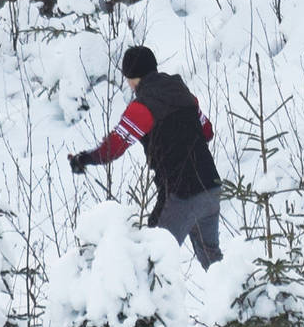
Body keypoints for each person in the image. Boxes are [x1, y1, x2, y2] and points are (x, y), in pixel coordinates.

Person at [68, 46, 223, 267]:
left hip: (181, 195)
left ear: (132, 78)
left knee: (148, 261)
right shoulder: (182, 92)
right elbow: (207, 131)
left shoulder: (143, 107)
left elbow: (113, 148)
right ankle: (236, 300)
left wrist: (83, 159)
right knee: (214, 264)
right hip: (211, 187)